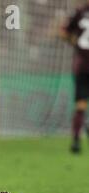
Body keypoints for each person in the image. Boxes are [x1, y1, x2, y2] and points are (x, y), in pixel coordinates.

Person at [61, 1, 89, 154]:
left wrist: (76, 43)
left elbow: (63, 31)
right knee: (81, 104)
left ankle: (76, 141)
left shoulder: (79, 12)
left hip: (82, 65)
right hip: (83, 65)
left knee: (80, 104)